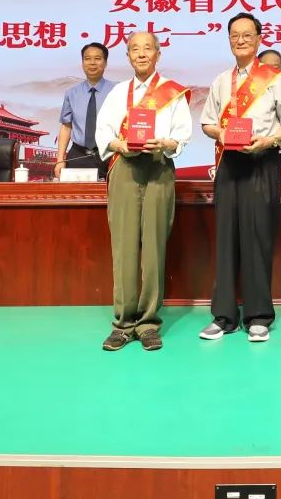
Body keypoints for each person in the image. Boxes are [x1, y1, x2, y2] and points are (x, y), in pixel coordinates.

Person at [199, 13, 281, 343]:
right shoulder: (221, 81)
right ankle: (224, 316)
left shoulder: (275, 79)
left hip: (262, 162)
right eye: (235, 35)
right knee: (226, 240)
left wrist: (270, 140)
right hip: (229, 164)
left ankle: (258, 316)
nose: (241, 40)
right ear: (229, 40)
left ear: (259, 39)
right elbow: (207, 123)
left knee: (258, 238)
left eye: (247, 34)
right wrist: (220, 133)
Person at [94, 32, 192, 351]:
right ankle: (123, 323)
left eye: (147, 48)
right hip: (125, 167)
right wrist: (119, 144)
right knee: (123, 246)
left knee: (154, 246)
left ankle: (148, 322)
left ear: (158, 54)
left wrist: (166, 143)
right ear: (128, 56)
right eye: (134, 49)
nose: (141, 54)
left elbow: (181, 135)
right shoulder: (117, 93)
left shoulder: (173, 93)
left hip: (159, 167)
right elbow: (103, 132)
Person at [54, 43, 116, 180]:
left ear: (105, 63)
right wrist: (60, 159)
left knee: (113, 193)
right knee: (76, 193)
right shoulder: (72, 93)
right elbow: (66, 126)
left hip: (109, 153)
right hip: (78, 155)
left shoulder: (118, 90)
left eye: (97, 58)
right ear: (82, 63)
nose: (92, 63)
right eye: (87, 59)